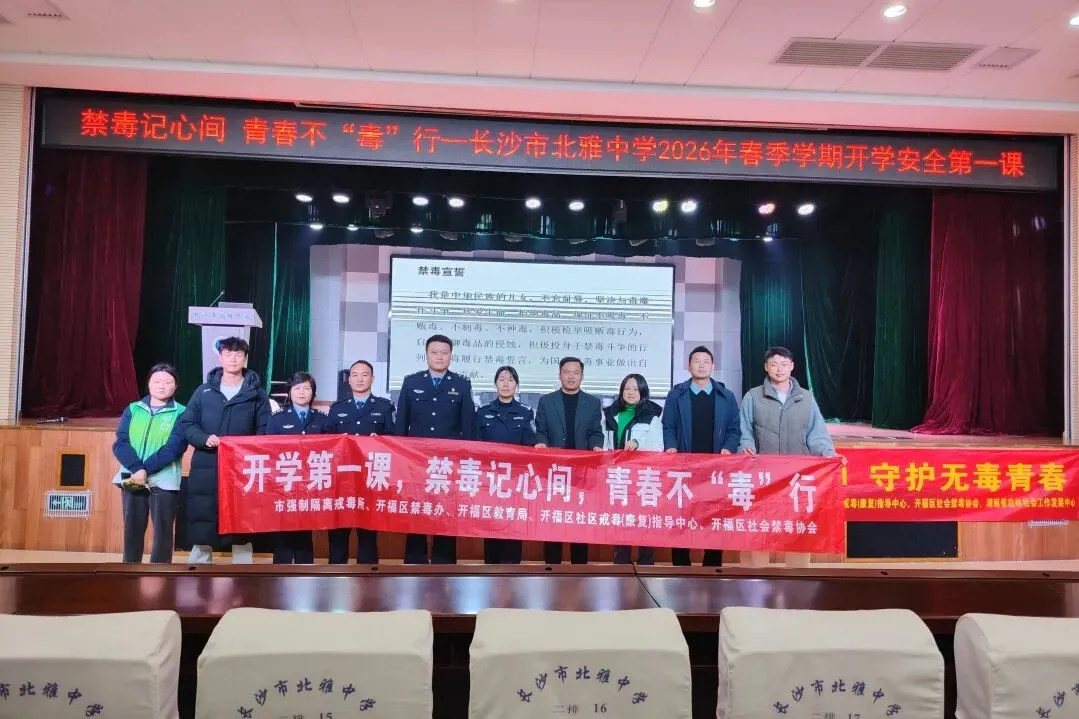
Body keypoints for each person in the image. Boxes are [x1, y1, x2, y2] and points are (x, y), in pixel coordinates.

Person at [739, 346, 841, 568]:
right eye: (774, 364)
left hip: (797, 476)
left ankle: (798, 577)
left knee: (797, 528)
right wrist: (746, 446)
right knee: (759, 527)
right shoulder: (753, 396)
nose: (779, 369)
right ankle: (754, 577)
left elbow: (816, 435)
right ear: (766, 367)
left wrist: (829, 454)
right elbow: (744, 430)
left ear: (792, 366)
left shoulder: (806, 398)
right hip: (763, 477)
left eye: (784, 364)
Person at [179, 337, 271, 564]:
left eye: (238, 354)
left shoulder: (257, 394)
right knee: (203, 510)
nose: (233, 359)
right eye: (228, 354)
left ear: (245, 358)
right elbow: (187, 424)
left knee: (242, 512)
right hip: (207, 462)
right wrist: (203, 439)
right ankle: (199, 563)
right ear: (220, 357)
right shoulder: (204, 391)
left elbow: (265, 430)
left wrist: (247, 449)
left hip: (242, 465)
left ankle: (243, 565)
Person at [395, 334, 476, 564]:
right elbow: (401, 426)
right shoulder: (411, 383)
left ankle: (444, 564)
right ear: (426, 355)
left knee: (445, 513)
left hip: (448, 465)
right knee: (416, 513)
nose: (439, 357)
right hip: (415, 463)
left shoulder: (461, 384)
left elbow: (468, 428)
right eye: (434, 352)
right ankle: (414, 563)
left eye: (444, 353)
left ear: (451, 356)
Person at [661, 345, 740, 567]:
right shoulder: (676, 395)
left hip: (715, 470)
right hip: (683, 469)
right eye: (696, 361)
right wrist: (671, 447)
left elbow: (734, 429)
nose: (701, 366)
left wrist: (728, 448)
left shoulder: (726, 396)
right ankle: (681, 567)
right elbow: (668, 426)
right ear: (689, 366)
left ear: (713, 366)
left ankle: (712, 566)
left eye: (706, 362)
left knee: (714, 517)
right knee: (682, 516)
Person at [112, 363, 187, 564]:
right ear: (149, 384)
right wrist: (137, 469)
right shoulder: (133, 409)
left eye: (168, 382)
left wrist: (145, 469)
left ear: (175, 386)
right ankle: (129, 573)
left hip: (164, 481)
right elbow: (120, 442)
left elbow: (175, 447)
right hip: (133, 478)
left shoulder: (182, 413)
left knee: (163, 533)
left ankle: (160, 575)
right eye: (157, 381)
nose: (162, 386)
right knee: (132, 530)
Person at [534, 356, 603, 565]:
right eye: (566, 372)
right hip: (554, 473)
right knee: (553, 521)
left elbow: (595, 432)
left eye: (576, 373)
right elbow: (541, 430)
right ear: (559, 374)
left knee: (579, 522)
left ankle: (580, 569)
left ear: (582, 376)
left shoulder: (593, 403)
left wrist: (596, 446)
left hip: (581, 474)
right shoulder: (546, 401)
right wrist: (542, 443)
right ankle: (551, 568)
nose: (571, 376)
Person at [327, 359, 395, 564]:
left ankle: (368, 575)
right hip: (342, 480)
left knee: (368, 532)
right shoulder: (337, 408)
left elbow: (394, 441)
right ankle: (335, 573)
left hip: (370, 479)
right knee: (338, 531)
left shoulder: (384, 407)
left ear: (372, 379)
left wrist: (380, 441)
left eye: (365, 375)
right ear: (349, 380)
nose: (359, 379)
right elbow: (327, 442)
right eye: (355, 375)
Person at [265, 371, 333, 565]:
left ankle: (305, 573)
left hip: (311, 485)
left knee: (305, 532)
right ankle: (279, 574)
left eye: (306, 388)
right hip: (284, 485)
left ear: (313, 392)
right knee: (283, 533)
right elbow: (269, 452)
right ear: (290, 392)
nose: (302, 392)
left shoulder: (322, 420)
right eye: (297, 388)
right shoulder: (277, 419)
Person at [476, 365, 536, 564]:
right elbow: (475, 445)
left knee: (513, 527)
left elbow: (531, 445)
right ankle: (490, 570)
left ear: (516, 385)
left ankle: (512, 572)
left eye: (510, 380)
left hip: (515, 483)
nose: (505, 384)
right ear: (495, 384)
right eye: (501, 379)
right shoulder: (483, 412)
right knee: (491, 526)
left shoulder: (525, 413)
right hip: (490, 482)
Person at [602, 373, 663, 565]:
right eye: (627, 388)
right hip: (618, 480)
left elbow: (658, 448)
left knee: (644, 524)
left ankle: (646, 567)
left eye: (636, 389)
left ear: (643, 392)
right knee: (621, 523)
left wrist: (638, 443)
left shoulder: (652, 417)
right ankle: (621, 567)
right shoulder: (610, 415)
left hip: (642, 480)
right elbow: (604, 444)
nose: (631, 392)